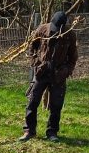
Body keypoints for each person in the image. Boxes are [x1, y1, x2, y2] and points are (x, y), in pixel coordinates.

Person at [19, 11, 78, 142]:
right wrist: (35, 62)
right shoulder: (42, 30)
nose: (55, 31)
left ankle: (52, 132)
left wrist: (66, 70)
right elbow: (31, 47)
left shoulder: (69, 35)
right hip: (42, 71)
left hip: (58, 74)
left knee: (56, 105)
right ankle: (29, 130)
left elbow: (73, 57)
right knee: (32, 101)